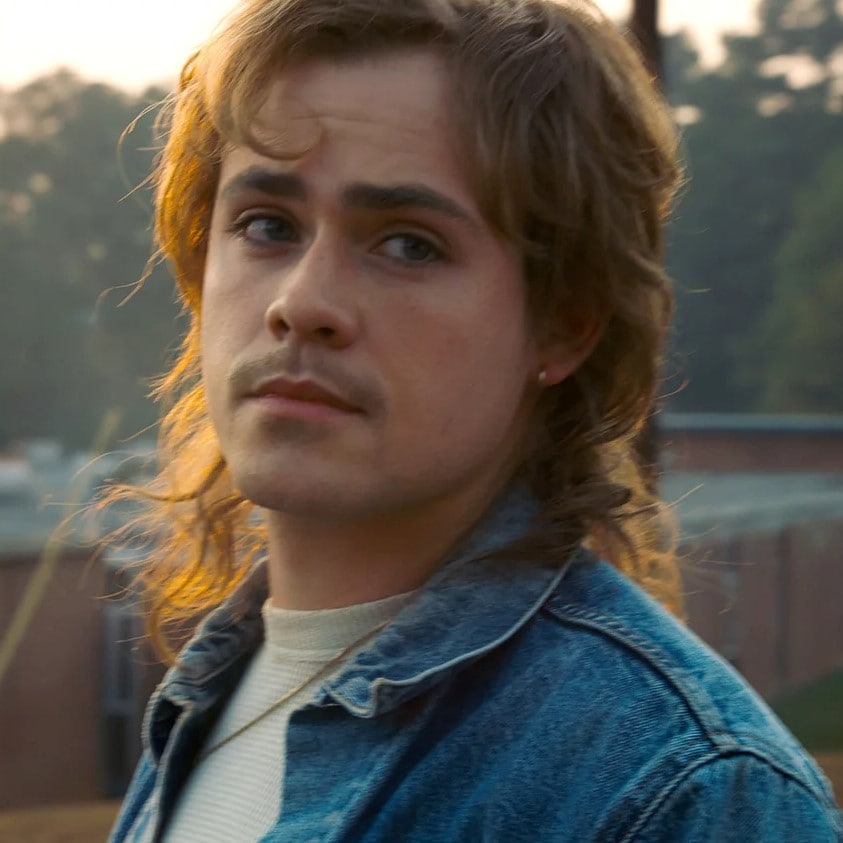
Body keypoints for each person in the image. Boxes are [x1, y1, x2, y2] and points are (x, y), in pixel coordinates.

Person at [107, 0, 843, 840]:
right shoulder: (214, 692)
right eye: (267, 225)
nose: (301, 303)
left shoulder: (685, 791)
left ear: (564, 323)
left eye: (407, 243)